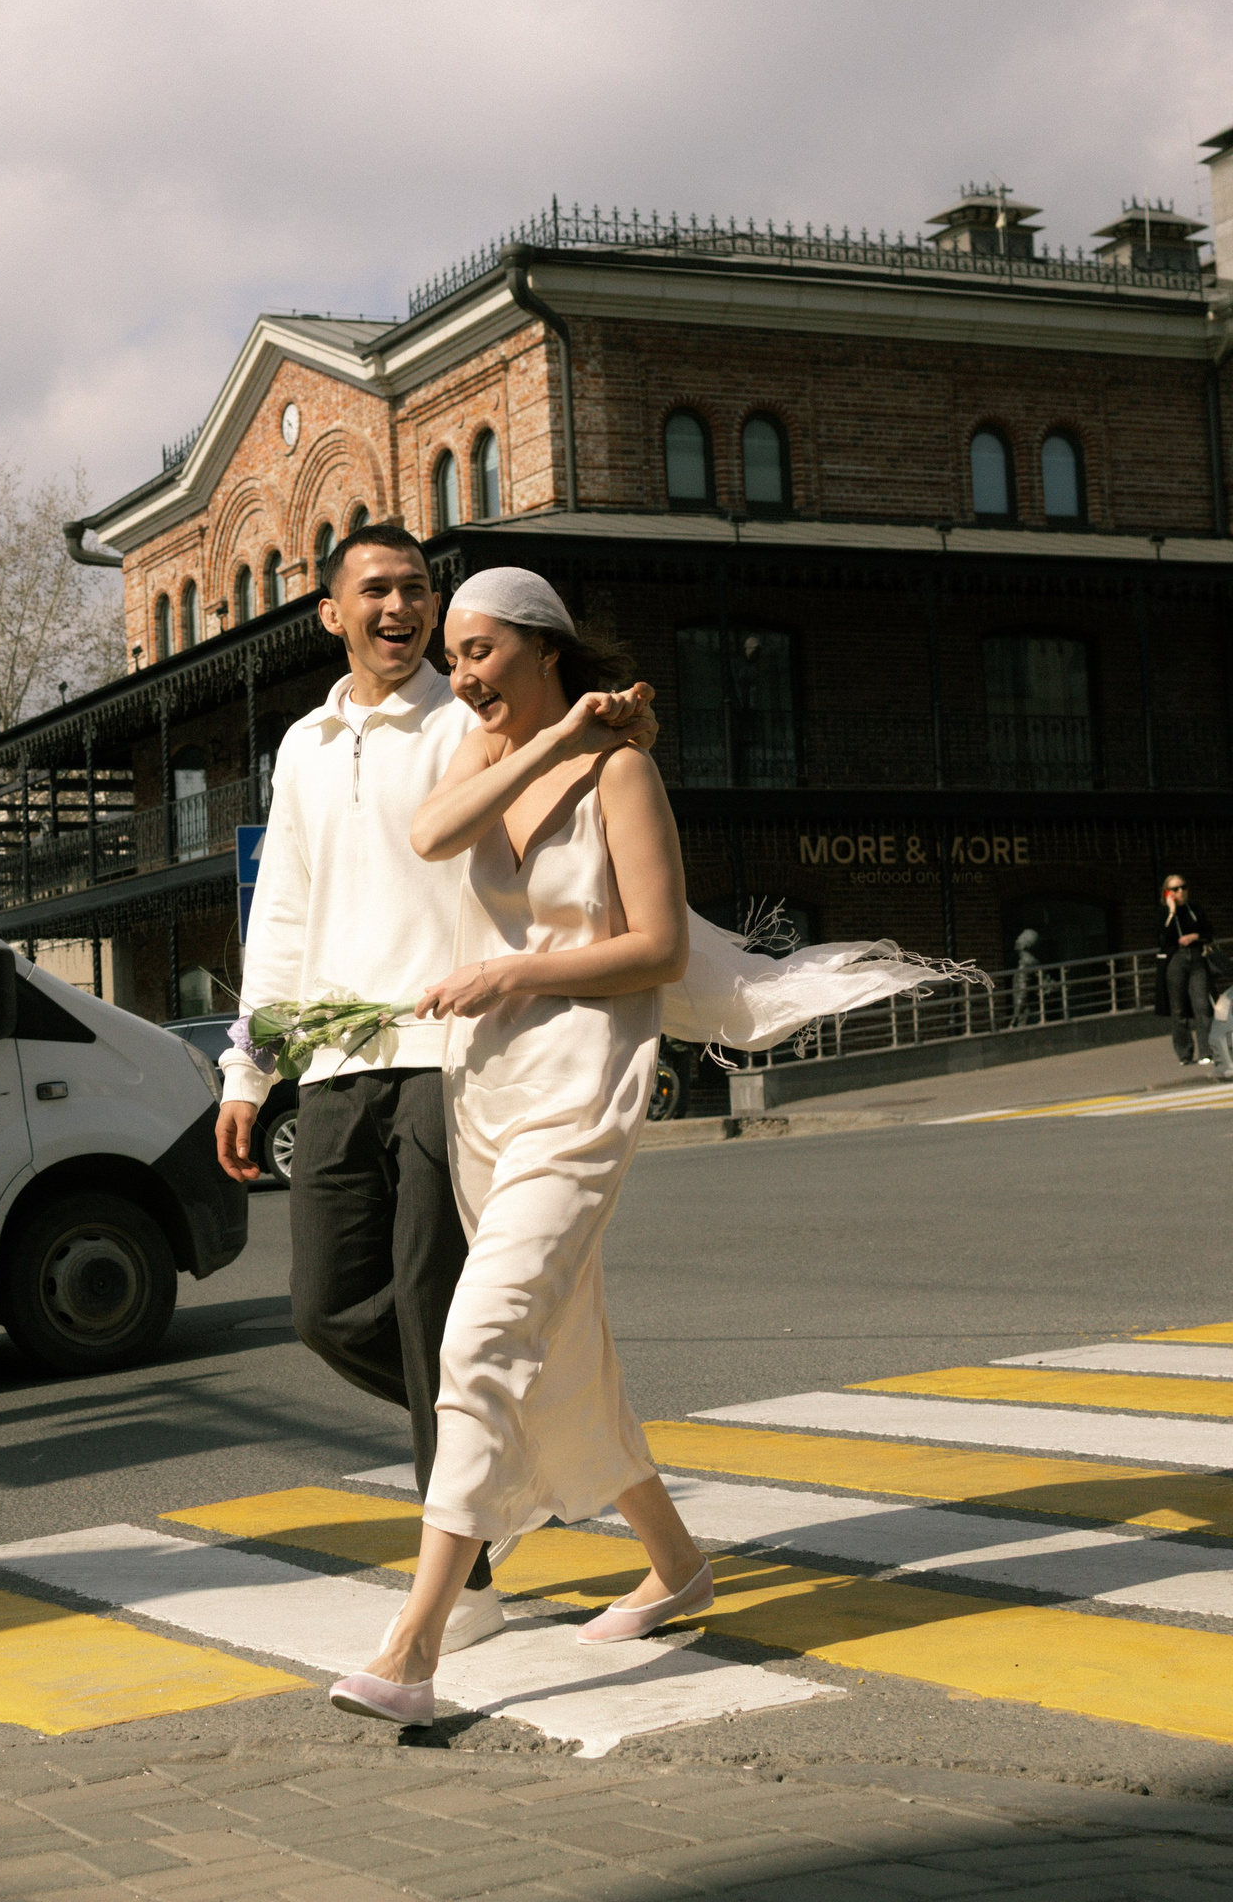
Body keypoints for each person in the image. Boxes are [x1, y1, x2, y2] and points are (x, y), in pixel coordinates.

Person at [325, 568, 945, 1728]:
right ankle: (676, 1564)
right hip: (484, 1093)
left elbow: (656, 950)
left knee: (487, 1331)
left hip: (581, 1084)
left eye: (481, 652)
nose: (460, 676)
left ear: (545, 645)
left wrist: (514, 967)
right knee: (559, 1350)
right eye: (452, 656)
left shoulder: (624, 774)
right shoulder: (492, 749)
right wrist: (550, 730)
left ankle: (411, 1647)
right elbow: (427, 832)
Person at [214, 525, 656, 1656]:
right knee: (325, 1311)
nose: (402, 610)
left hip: (448, 1052)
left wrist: (616, 726)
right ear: (330, 612)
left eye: (418, 589)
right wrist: (249, 1064)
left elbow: (586, 769)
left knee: (432, 1314)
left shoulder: (474, 716)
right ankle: (507, 1447)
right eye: (378, 591)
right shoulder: (305, 744)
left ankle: (463, 1579)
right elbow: (285, 914)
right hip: (335, 1056)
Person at [1159, 874, 1212, 1068]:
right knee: (1178, 1009)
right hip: (1175, 961)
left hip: (1196, 959)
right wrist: (1171, 911)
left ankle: (1206, 1051)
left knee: (1202, 1006)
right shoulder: (1164, 912)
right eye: (1175, 889)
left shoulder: (1195, 910)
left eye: (1183, 887)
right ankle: (1184, 1053)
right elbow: (1164, 937)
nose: (1180, 891)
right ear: (1167, 893)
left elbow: (1208, 932)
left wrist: (1194, 936)